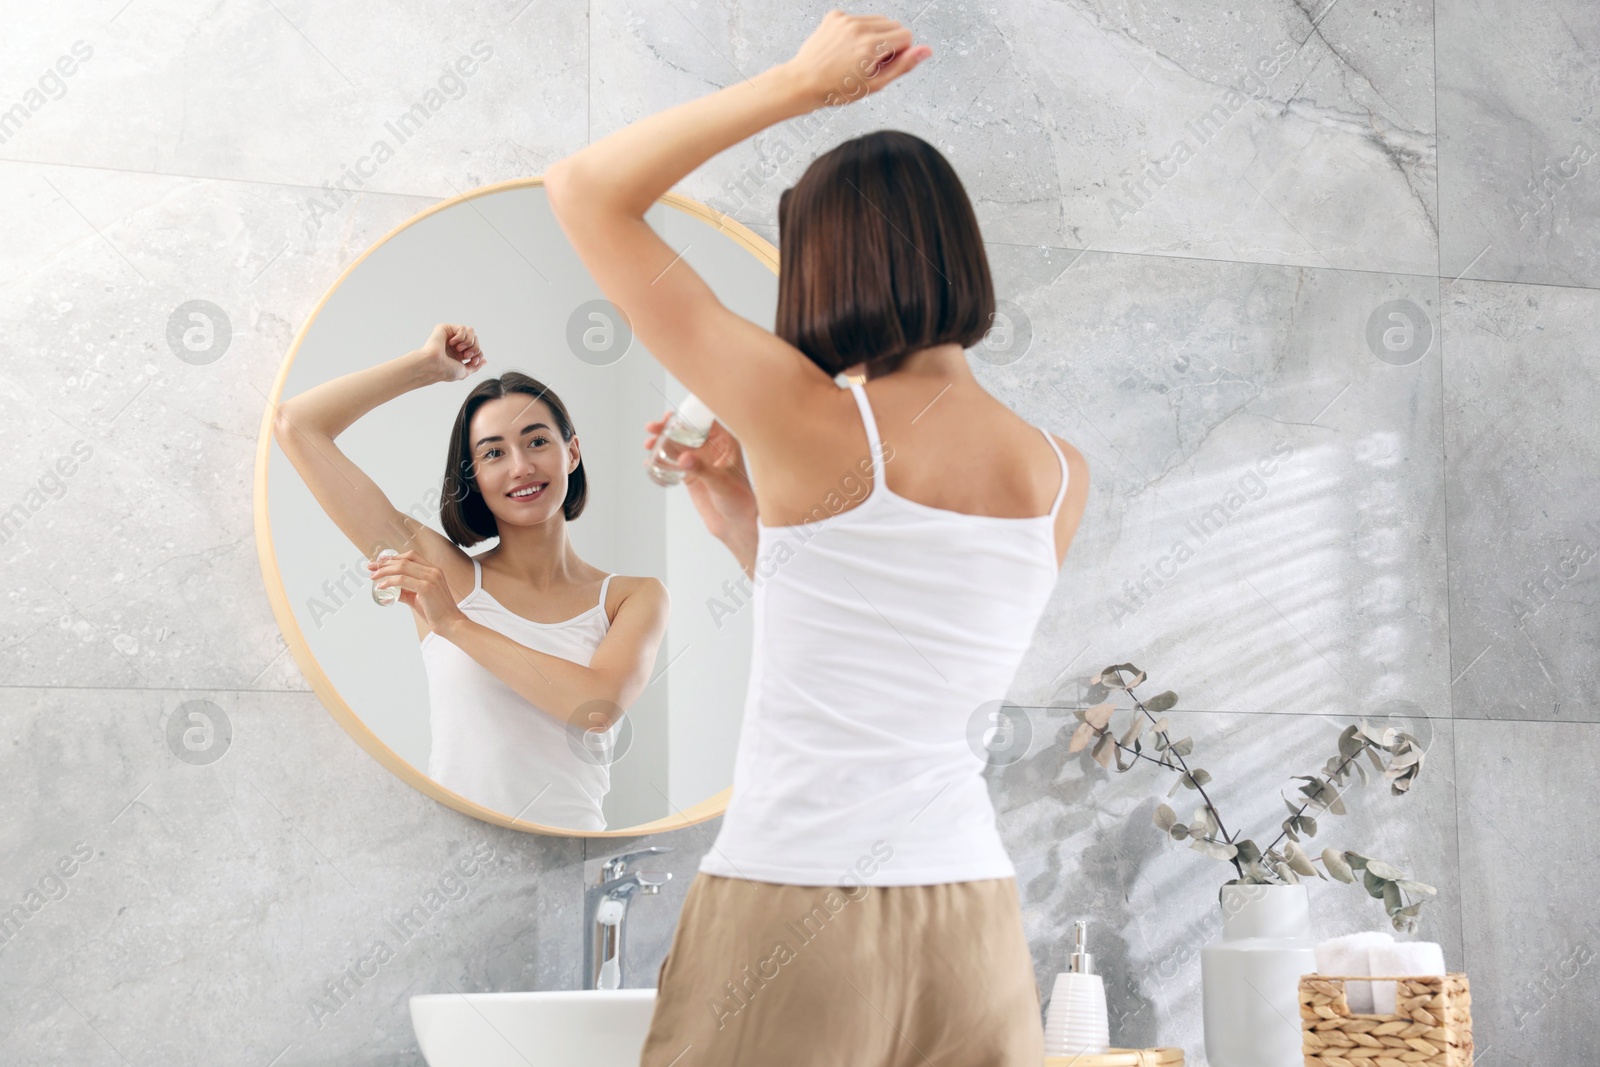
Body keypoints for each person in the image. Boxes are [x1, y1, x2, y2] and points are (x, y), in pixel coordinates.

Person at [547, 11, 1088, 1064]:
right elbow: (903, 641)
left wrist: (801, 83)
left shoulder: (800, 412)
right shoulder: (1061, 472)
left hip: (793, 898)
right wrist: (752, 523)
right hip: (972, 921)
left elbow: (583, 190)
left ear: (823, 266)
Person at [272, 326, 669, 829]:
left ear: (571, 452)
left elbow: (593, 709)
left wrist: (456, 625)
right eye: (493, 453)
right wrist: (424, 368)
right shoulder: (442, 571)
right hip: (453, 859)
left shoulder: (632, 598)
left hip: (572, 862)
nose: (521, 466)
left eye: (537, 441)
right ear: (474, 478)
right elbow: (296, 425)